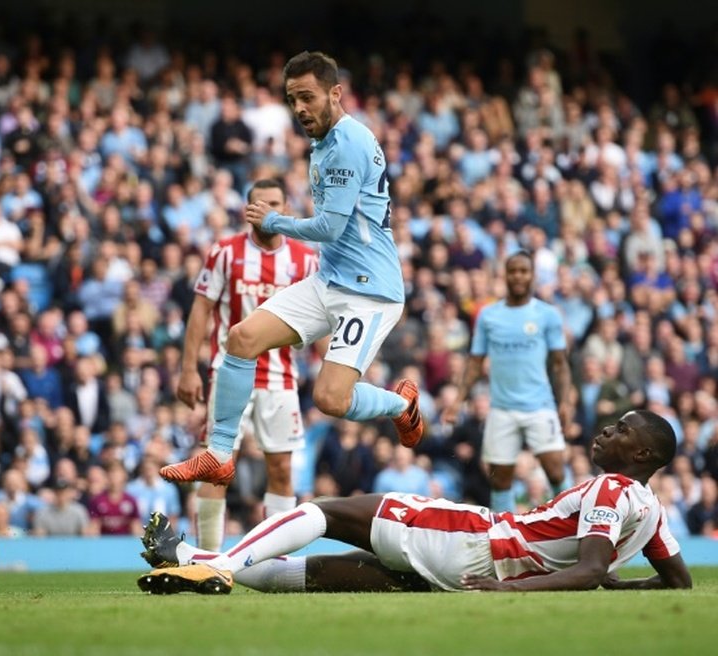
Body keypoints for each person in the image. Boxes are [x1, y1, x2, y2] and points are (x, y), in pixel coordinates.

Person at [161, 51, 421, 488]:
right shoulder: (326, 143)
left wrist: (273, 221)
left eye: (308, 97)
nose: (299, 108)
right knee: (241, 338)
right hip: (330, 278)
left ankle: (399, 405)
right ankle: (219, 454)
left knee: (330, 399)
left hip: (369, 291)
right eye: (292, 99)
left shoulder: (347, 144)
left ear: (335, 93)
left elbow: (330, 226)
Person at [138, 410, 692, 594]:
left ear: (641, 452)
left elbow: (591, 566)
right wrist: (617, 584)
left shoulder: (611, 488)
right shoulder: (652, 511)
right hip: (465, 569)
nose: (605, 433)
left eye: (620, 431)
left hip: (474, 539)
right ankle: (188, 560)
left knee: (328, 511)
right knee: (324, 574)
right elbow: (678, 584)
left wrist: (510, 590)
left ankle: (216, 566)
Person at [178, 178, 317, 550]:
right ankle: (207, 560)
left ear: (287, 208)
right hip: (228, 374)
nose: (268, 210)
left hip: (281, 378)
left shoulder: (306, 259)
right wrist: (189, 368)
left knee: (282, 470)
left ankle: (271, 560)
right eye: (260, 204)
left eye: (275, 203)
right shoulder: (224, 252)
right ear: (247, 210)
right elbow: (200, 311)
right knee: (216, 467)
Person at [443, 251, 572, 513]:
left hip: (540, 406)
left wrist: (566, 401)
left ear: (533, 275)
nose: (518, 276)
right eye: (513, 271)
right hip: (501, 409)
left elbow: (560, 363)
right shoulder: (489, 316)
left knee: (556, 471)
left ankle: (575, 525)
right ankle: (505, 536)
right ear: (505, 275)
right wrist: (457, 401)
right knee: (500, 479)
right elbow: (475, 362)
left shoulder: (547, 315)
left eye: (523, 271)